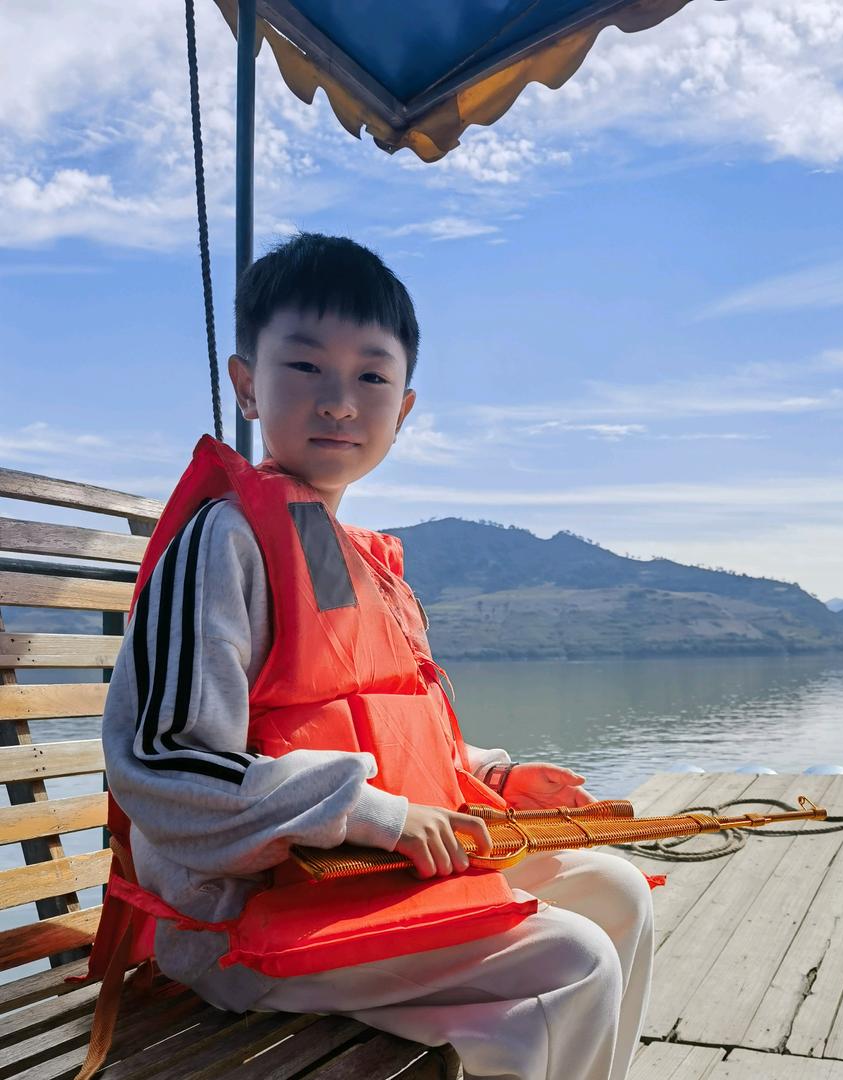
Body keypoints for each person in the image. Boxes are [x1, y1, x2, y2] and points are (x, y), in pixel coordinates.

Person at [99, 233, 655, 1080]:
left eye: (370, 377)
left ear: (405, 407)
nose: (339, 402)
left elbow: (363, 716)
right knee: (572, 961)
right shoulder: (225, 541)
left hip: (358, 877)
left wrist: (492, 777)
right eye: (306, 368)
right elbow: (164, 766)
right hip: (238, 924)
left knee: (614, 896)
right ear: (247, 384)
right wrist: (378, 817)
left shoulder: (330, 549)